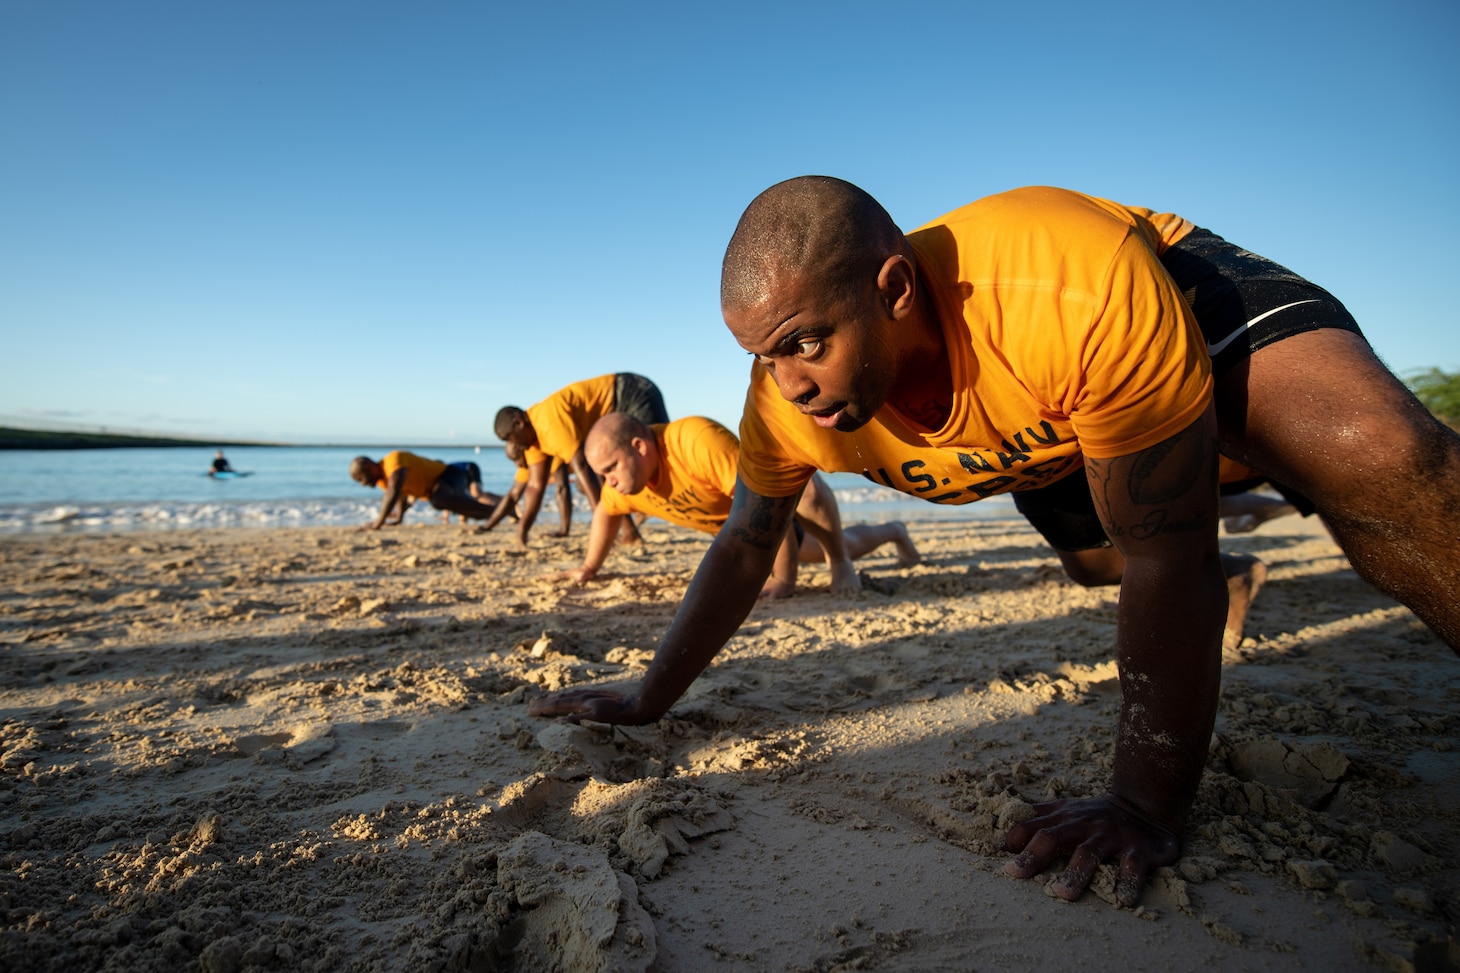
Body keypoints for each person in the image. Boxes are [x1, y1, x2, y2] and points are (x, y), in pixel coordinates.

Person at [528, 177, 1460, 907]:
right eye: (763, 357)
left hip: (1148, 301)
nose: (791, 383)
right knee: (1099, 563)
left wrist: (1143, 804)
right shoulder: (785, 404)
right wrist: (651, 693)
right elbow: (743, 541)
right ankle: (1252, 478)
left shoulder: (1059, 292)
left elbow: (1169, 558)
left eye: (807, 342)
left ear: (893, 289)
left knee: (1381, 461)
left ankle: (1282, 458)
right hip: (1046, 435)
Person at [553, 412, 920, 598]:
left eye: (610, 469)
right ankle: (893, 531)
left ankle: (840, 561)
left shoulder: (692, 441)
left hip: (777, 497)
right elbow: (605, 512)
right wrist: (588, 567)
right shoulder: (625, 485)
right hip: (749, 525)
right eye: (602, 474)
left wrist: (783, 580)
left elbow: (766, 503)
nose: (608, 482)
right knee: (845, 546)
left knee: (812, 501)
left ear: (639, 447)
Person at [481, 373, 669, 547]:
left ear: (519, 423)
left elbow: (582, 466)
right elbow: (535, 487)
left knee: (657, 460)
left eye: (509, 438)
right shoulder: (532, 444)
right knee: (608, 473)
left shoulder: (548, 421)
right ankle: (630, 531)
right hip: (611, 416)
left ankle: (667, 511)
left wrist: (601, 527)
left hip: (630, 392)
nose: (512, 444)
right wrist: (521, 533)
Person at [349, 451, 508, 530]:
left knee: (441, 499)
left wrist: (378, 522)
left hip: (449, 473)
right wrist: (399, 517)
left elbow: (394, 491)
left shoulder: (393, 461)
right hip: (438, 487)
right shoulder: (383, 482)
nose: (363, 484)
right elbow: (402, 495)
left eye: (361, 478)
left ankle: (498, 511)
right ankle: (498, 512)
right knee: (464, 509)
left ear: (369, 466)